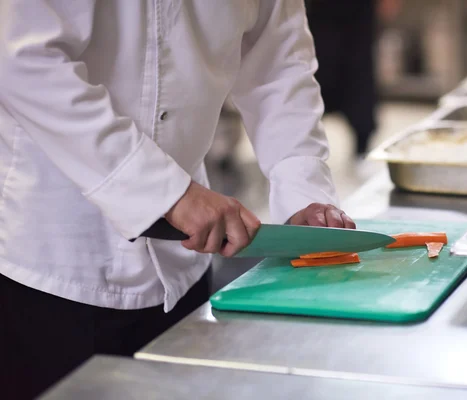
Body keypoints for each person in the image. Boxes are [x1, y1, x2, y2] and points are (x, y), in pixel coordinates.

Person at [0, 1, 356, 398]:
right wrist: (167, 192)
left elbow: (278, 63)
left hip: (183, 265)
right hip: (52, 265)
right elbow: (24, 61)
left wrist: (302, 191)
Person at [306, 0, 401, 159]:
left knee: (359, 68)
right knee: (315, 67)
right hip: (318, 9)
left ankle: (362, 150)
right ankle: (302, 154)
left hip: (359, 9)